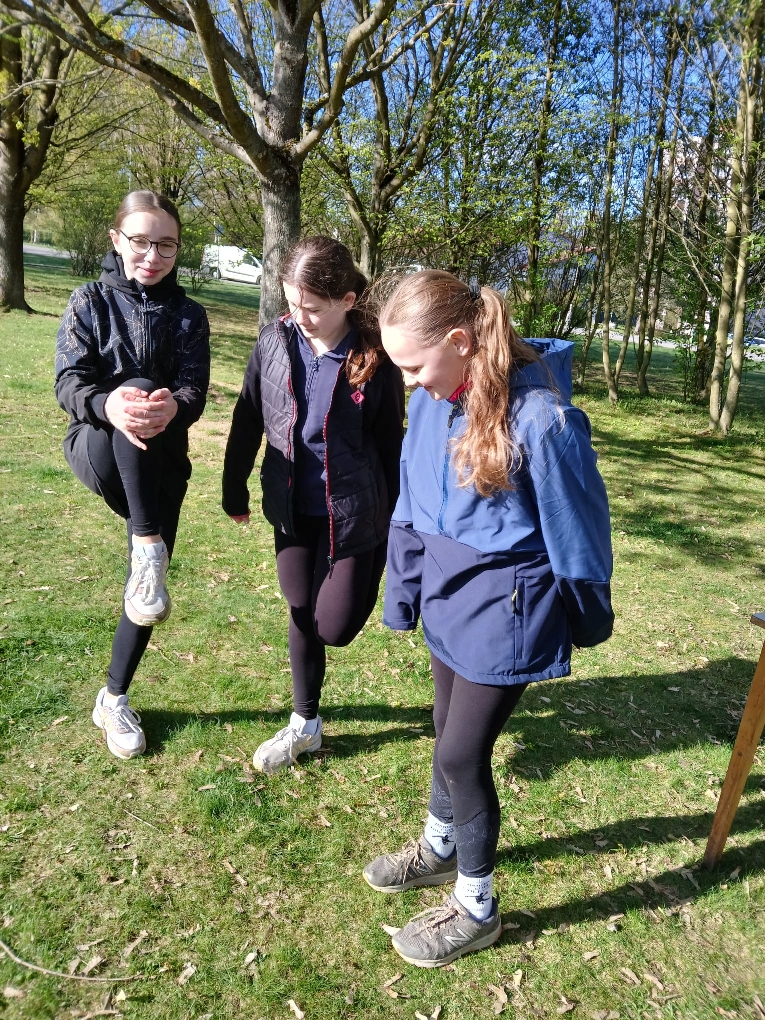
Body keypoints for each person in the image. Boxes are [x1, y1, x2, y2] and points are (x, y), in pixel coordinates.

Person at [362, 271, 614, 968]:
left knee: (459, 755)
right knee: (445, 729)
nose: (407, 381)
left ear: (460, 341)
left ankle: (476, 908)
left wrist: (585, 619)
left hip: (507, 610)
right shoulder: (430, 402)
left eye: (414, 365)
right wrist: (404, 590)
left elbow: (579, 535)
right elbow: (410, 503)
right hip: (447, 595)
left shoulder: (541, 420)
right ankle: (440, 847)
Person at [222, 236, 405, 774]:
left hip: (356, 513)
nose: (299, 317)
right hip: (292, 507)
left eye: (314, 308)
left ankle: (367, 564)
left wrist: (396, 520)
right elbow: (248, 416)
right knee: (300, 607)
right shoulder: (274, 341)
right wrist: (234, 487)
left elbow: (391, 445)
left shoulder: (375, 358)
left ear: (347, 300)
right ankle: (306, 723)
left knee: (334, 629)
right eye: (291, 303)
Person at [55, 190, 210, 760]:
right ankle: (147, 541)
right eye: (141, 241)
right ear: (117, 240)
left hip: (163, 462)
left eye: (166, 245)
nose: (153, 255)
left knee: (147, 590)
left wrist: (176, 407)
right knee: (137, 388)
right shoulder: (89, 300)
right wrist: (110, 403)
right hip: (96, 444)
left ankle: (113, 698)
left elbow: (194, 390)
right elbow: (68, 382)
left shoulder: (190, 314)